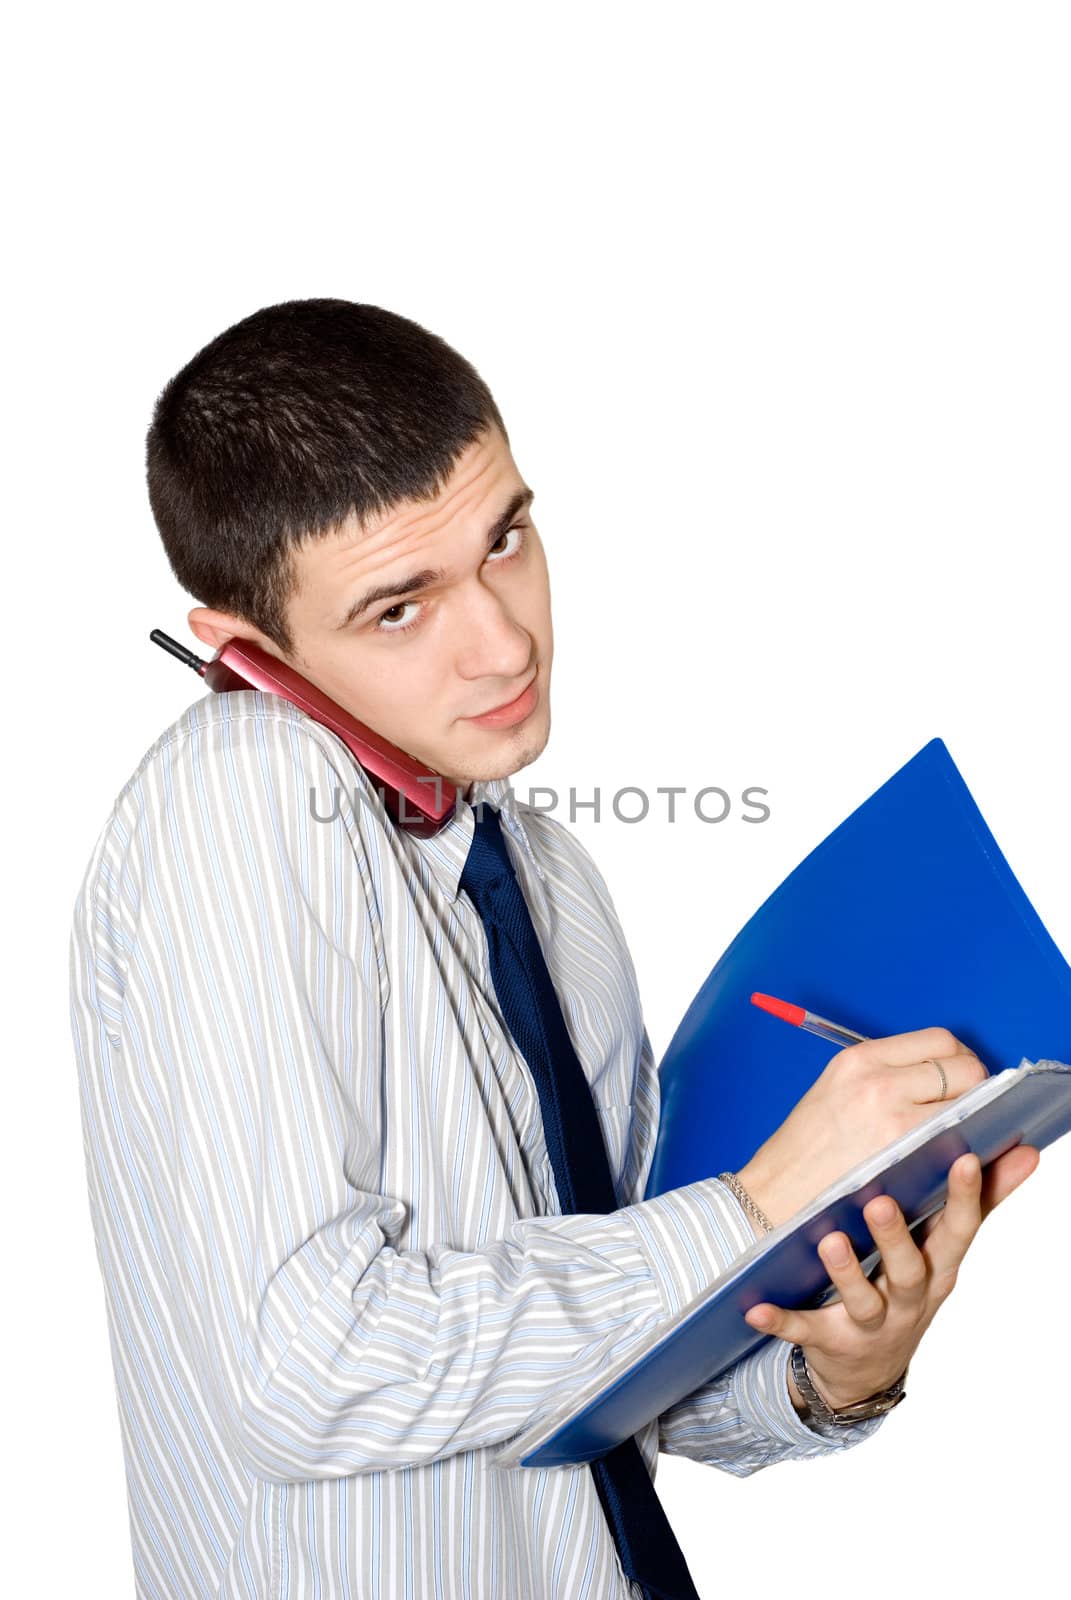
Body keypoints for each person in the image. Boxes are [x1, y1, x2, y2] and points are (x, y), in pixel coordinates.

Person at [69, 298, 1039, 1600]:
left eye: (506, 539)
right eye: (399, 608)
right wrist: (752, 1207)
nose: (506, 639)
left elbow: (623, 1384)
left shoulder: (544, 877)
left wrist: (831, 1370)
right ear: (245, 650)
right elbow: (309, 1376)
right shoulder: (240, 782)